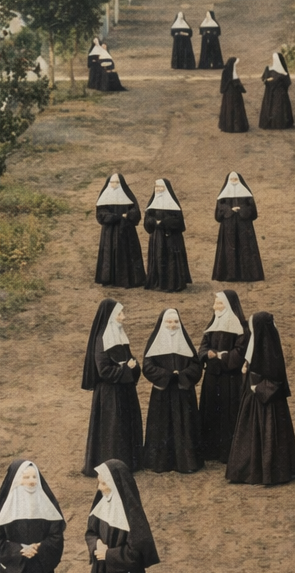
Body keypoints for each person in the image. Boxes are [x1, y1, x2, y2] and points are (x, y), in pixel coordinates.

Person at [225, 312, 295, 485]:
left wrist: (257, 388)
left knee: (268, 434)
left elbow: (276, 379)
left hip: (268, 403)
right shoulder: (259, 344)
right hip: (253, 399)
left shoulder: (270, 351)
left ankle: (267, 473)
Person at [82, 300, 145, 476]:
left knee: (124, 425)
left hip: (125, 389)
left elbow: (129, 359)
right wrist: (126, 368)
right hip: (109, 393)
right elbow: (103, 370)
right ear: (110, 317)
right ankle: (111, 465)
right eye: (119, 314)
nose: (123, 317)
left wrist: (134, 366)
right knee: (112, 427)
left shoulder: (119, 335)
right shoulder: (102, 339)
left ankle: (127, 462)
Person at [140, 308, 204, 474]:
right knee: (162, 426)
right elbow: (147, 367)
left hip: (183, 393)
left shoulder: (186, 342)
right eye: (169, 322)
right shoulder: (155, 342)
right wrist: (167, 375)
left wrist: (182, 375)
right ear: (162, 323)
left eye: (176, 322)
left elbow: (196, 366)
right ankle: (160, 463)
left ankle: (187, 462)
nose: (173, 325)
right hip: (163, 392)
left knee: (185, 425)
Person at [197, 291, 249, 462]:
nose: (215, 307)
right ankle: (210, 451)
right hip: (212, 377)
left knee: (229, 414)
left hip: (230, 379)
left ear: (228, 306)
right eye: (215, 303)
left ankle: (228, 452)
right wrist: (207, 354)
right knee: (211, 411)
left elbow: (240, 352)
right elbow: (203, 347)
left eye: (219, 303)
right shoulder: (213, 323)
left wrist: (221, 357)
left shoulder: (241, 327)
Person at [94, 173, 146, 288]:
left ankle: (128, 280)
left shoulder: (128, 196)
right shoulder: (104, 197)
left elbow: (135, 212)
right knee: (109, 252)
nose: (114, 185)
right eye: (112, 182)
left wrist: (127, 215)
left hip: (126, 231)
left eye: (117, 182)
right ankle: (109, 279)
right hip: (109, 232)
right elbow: (101, 214)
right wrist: (117, 217)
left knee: (126, 252)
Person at [211, 171, 264, 281]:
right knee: (229, 249)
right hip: (228, 227)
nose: (234, 182)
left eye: (235, 180)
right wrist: (230, 210)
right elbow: (218, 213)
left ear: (239, 181)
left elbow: (253, 211)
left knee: (245, 248)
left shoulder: (246, 195)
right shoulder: (223, 196)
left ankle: (247, 275)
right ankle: (229, 275)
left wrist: (241, 210)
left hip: (244, 226)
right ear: (228, 181)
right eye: (232, 180)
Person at [144, 178, 191, 292]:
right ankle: (157, 282)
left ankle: (171, 284)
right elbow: (147, 219)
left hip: (171, 237)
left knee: (170, 258)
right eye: (156, 187)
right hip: (157, 237)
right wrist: (154, 222)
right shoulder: (152, 203)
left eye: (161, 187)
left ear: (166, 188)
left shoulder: (173, 204)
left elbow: (178, 221)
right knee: (158, 257)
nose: (158, 189)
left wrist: (164, 222)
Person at [258, 51, 294, 130]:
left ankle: (278, 123)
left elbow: (286, 83)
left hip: (278, 94)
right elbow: (264, 79)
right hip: (271, 93)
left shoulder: (282, 72)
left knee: (277, 108)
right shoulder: (269, 69)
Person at [218, 58, 249, 134]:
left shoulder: (227, 71)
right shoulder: (226, 72)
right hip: (231, 94)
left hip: (232, 94)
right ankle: (235, 127)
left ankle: (232, 126)